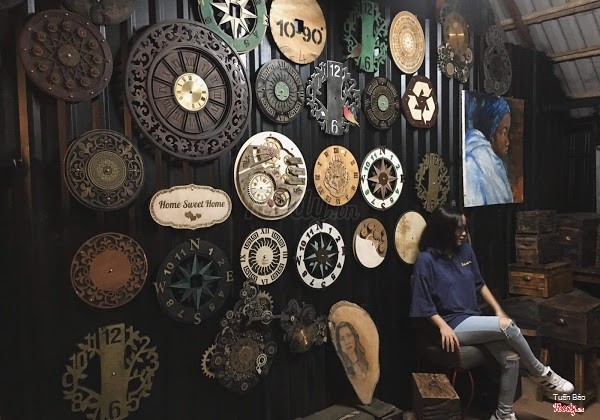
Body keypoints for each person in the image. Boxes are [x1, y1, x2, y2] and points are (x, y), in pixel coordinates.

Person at [409, 205, 574, 420]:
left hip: (472, 318)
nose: (464, 233)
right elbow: (422, 304)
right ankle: (541, 373)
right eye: (459, 228)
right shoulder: (426, 261)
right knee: (508, 327)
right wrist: (442, 326)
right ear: (443, 229)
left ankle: (503, 414)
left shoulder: (465, 251)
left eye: (465, 227)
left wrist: (498, 311)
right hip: (451, 323)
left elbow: (480, 284)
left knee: (511, 358)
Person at [464, 96, 513, 206]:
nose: (507, 142)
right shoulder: (473, 163)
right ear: (492, 133)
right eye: (503, 133)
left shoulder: (496, 165)